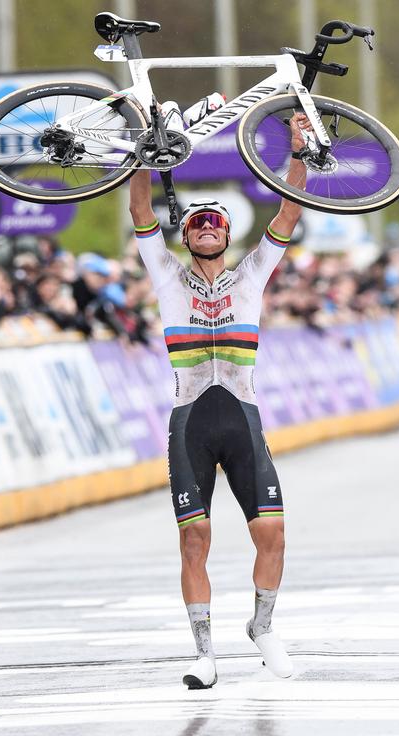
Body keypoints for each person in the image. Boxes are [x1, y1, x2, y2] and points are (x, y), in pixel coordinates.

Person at [129, 112, 312, 689]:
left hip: (242, 419)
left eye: (216, 222)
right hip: (190, 422)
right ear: (185, 236)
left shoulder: (252, 275)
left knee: (272, 535)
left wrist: (298, 151)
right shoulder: (166, 276)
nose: (207, 227)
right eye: (197, 222)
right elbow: (140, 211)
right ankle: (204, 654)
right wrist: (143, 155)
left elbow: (289, 212)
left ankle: (262, 627)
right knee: (194, 539)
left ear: (228, 236)